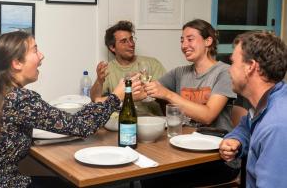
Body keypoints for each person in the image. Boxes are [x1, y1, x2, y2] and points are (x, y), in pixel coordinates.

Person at [0, 31, 141, 188]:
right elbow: (82, 126)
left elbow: (71, 122)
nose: (41, 56)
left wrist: (101, 104)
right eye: (35, 50)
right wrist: (116, 97)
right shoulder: (20, 99)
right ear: (17, 63)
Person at [141, 19, 239, 187]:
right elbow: (148, 91)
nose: (184, 45)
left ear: (208, 41)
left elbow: (208, 115)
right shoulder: (180, 73)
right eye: (182, 40)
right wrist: (123, 91)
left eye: (190, 39)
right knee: (148, 174)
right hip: (185, 151)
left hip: (218, 159)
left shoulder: (224, 73)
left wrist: (167, 94)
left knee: (155, 180)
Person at [219, 31, 287, 187]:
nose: (229, 70)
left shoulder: (277, 126)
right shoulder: (271, 99)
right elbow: (247, 125)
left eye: (233, 63)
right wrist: (236, 139)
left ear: (250, 66)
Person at [90, 20, 166, 116]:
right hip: (121, 121)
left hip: (152, 121)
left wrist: (146, 90)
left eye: (131, 39)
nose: (131, 44)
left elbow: (167, 95)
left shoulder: (152, 63)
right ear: (112, 47)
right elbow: (95, 99)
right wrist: (99, 80)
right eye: (124, 41)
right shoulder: (108, 69)